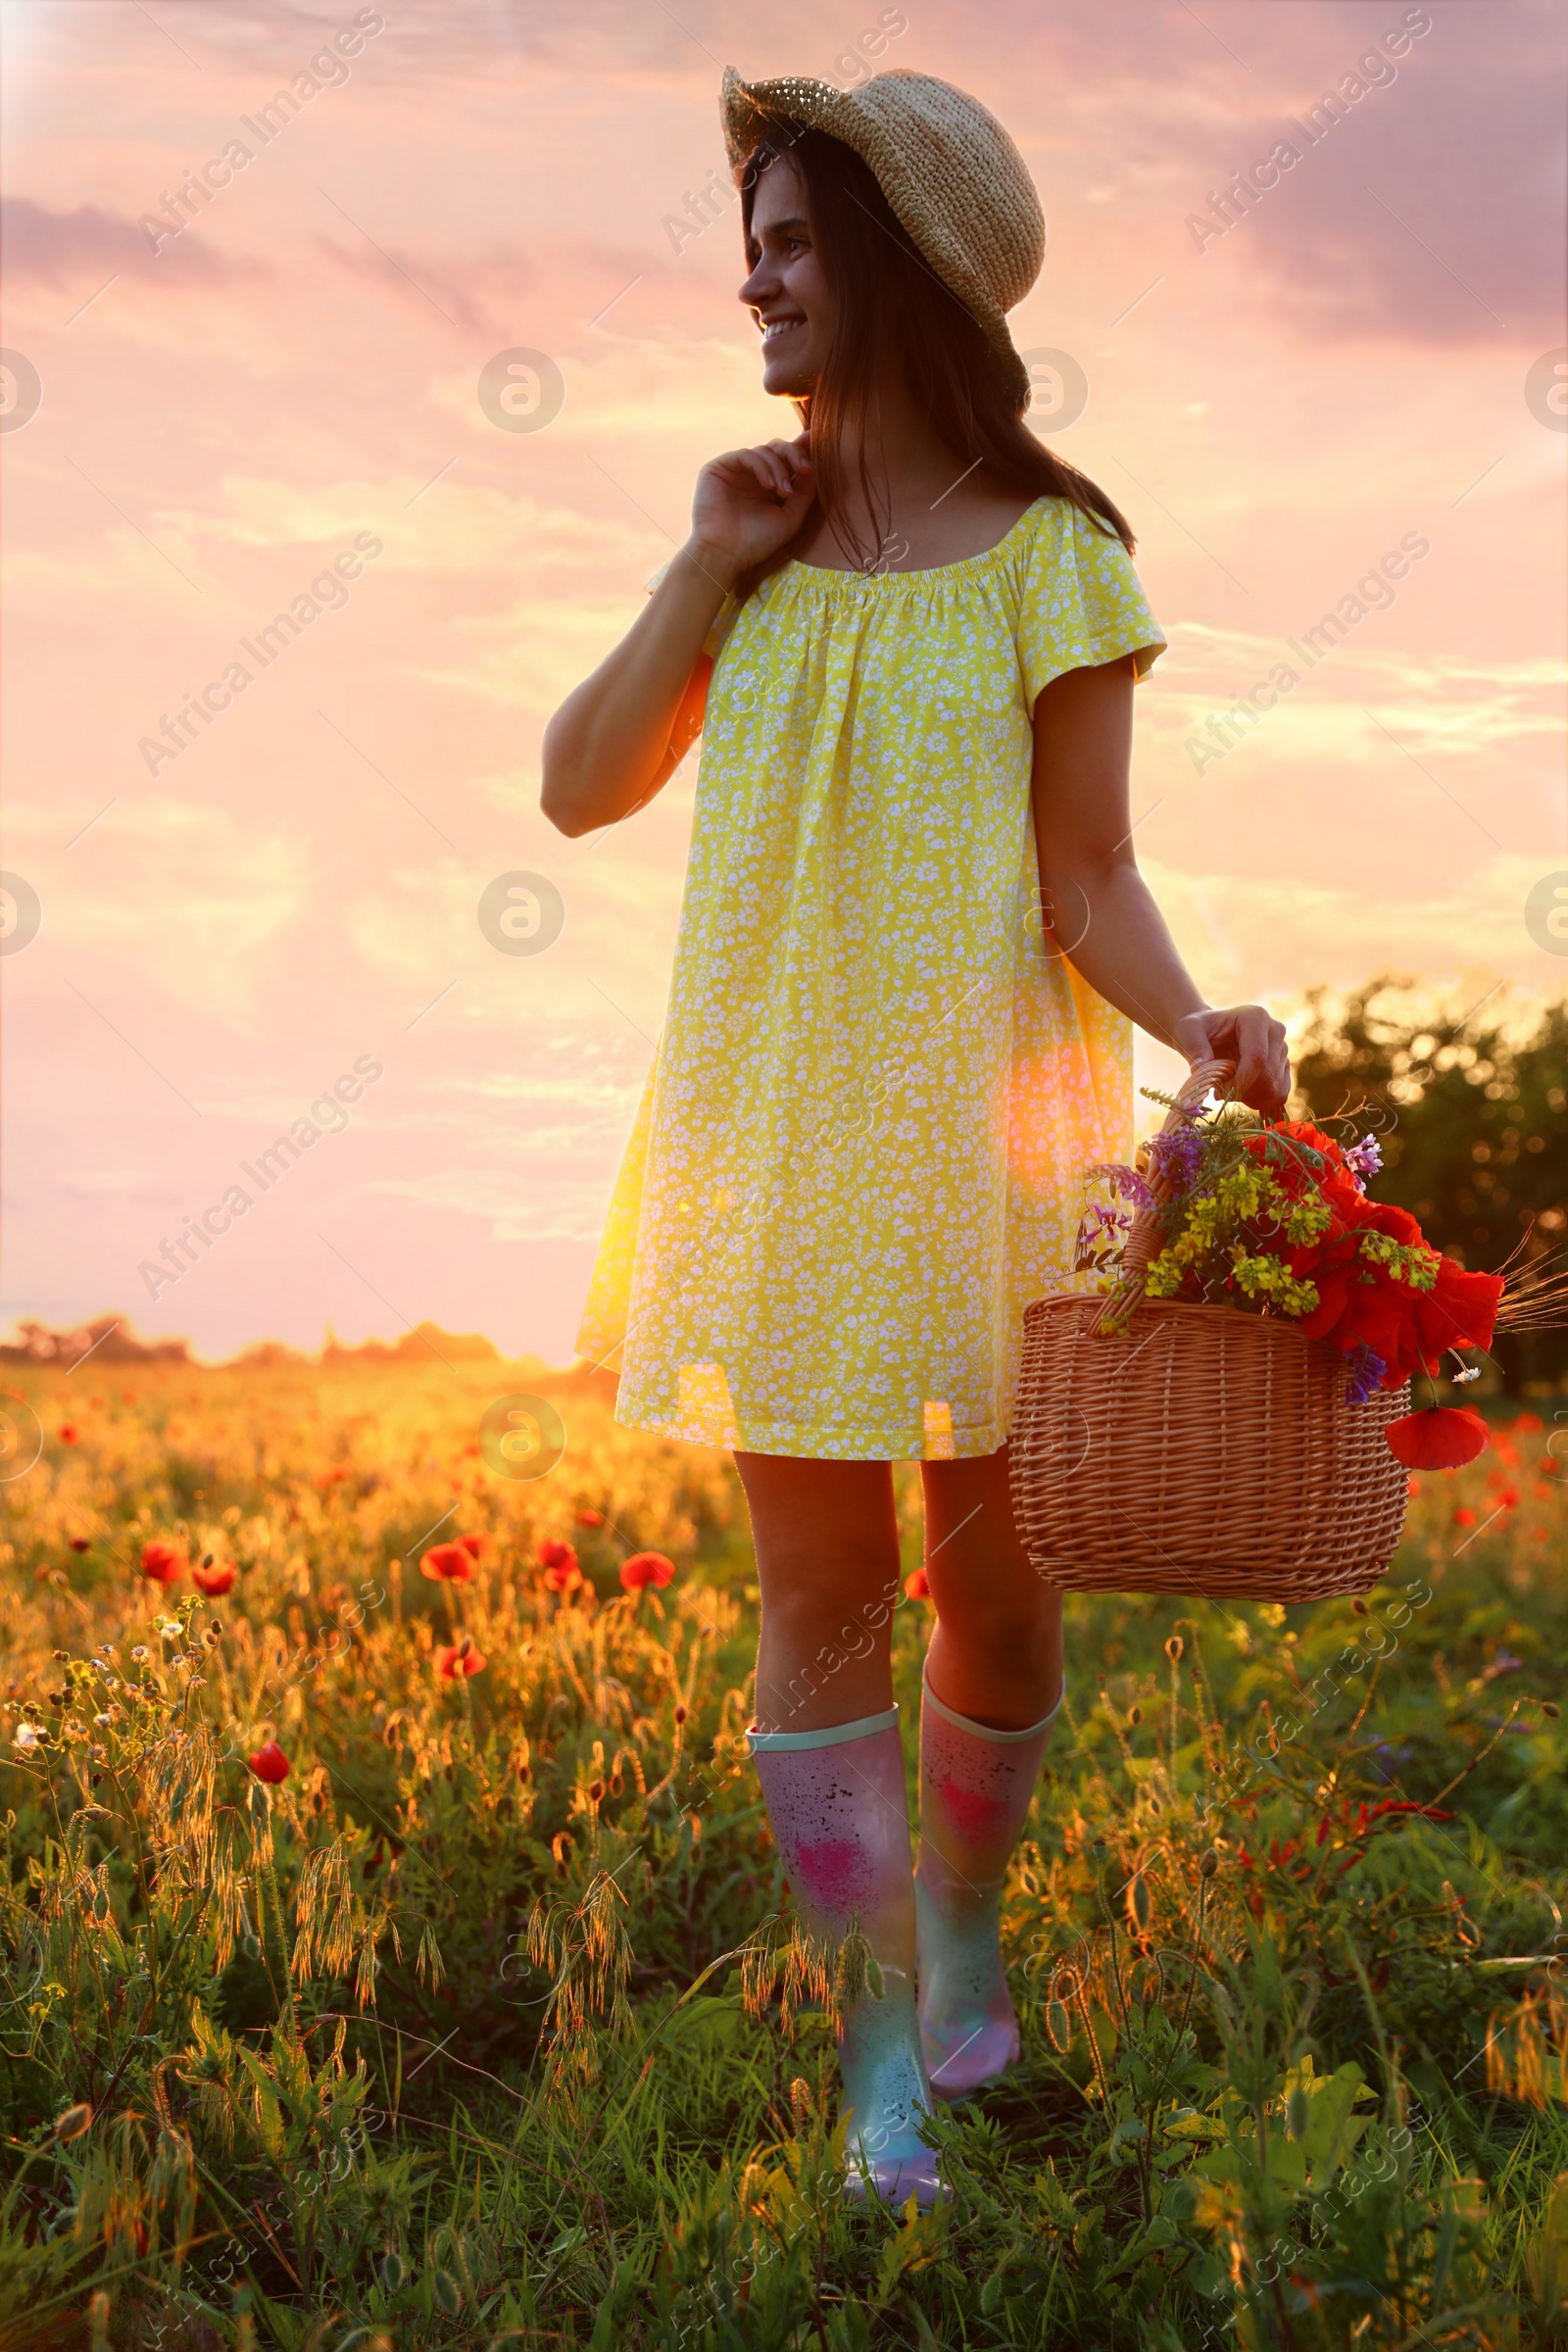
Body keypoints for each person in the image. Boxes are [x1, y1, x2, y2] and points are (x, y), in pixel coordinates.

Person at [543, 66, 1289, 2209]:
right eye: (752, 238)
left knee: (1005, 1598)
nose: (753, 277)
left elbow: (1089, 880)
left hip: (991, 1152)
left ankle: (959, 1938)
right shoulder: (749, 554)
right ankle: (878, 2055)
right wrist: (699, 563)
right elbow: (580, 787)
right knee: (813, 1601)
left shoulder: (1055, 559)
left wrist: (1194, 1012)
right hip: (770, 1138)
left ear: (900, 265)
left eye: (790, 240)